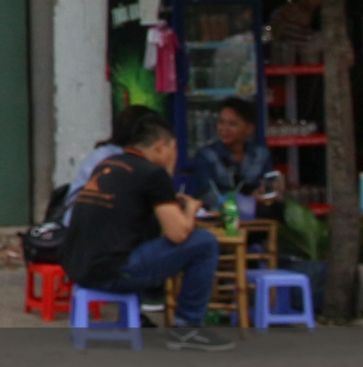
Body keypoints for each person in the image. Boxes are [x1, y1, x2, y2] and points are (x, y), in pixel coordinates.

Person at [62, 110, 235, 351]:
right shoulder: (152, 173)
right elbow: (178, 234)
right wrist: (191, 209)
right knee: (204, 242)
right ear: (161, 147)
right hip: (114, 273)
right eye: (174, 149)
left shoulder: (108, 164)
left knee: (148, 233)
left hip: (78, 268)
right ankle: (188, 327)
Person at [190, 97, 275, 202]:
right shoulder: (206, 156)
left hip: (256, 214)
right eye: (221, 122)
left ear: (249, 129)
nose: (224, 129)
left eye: (232, 124)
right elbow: (207, 195)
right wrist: (247, 200)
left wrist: (269, 190)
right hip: (221, 215)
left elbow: (268, 188)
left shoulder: (261, 155)